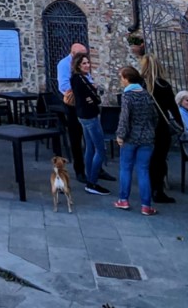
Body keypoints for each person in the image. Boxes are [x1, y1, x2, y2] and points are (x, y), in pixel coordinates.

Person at [129, 34, 178, 204]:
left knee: (146, 160)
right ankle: (158, 190)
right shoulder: (163, 85)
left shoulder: (138, 86)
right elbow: (173, 107)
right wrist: (180, 124)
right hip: (160, 127)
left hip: (143, 128)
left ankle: (146, 191)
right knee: (159, 159)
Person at [114, 66, 159, 215]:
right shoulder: (147, 94)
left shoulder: (127, 96)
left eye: (121, 77)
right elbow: (155, 116)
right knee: (143, 170)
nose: (121, 81)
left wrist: (120, 135)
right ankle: (146, 205)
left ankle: (123, 200)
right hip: (147, 137)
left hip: (130, 138)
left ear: (126, 79)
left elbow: (124, 118)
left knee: (126, 168)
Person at [69, 52, 109, 195]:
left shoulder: (77, 79)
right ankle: (92, 182)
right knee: (100, 149)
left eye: (87, 63)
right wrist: (94, 93)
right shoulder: (80, 79)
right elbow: (90, 97)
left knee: (90, 147)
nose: (87, 65)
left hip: (83, 115)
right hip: (89, 116)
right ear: (78, 65)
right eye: (83, 63)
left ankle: (90, 176)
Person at [54, 41, 88, 183]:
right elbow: (64, 86)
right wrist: (81, 92)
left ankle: (95, 168)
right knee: (76, 137)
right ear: (73, 53)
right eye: (81, 55)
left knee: (89, 138)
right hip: (73, 105)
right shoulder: (64, 64)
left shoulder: (82, 65)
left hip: (85, 105)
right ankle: (79, 170)